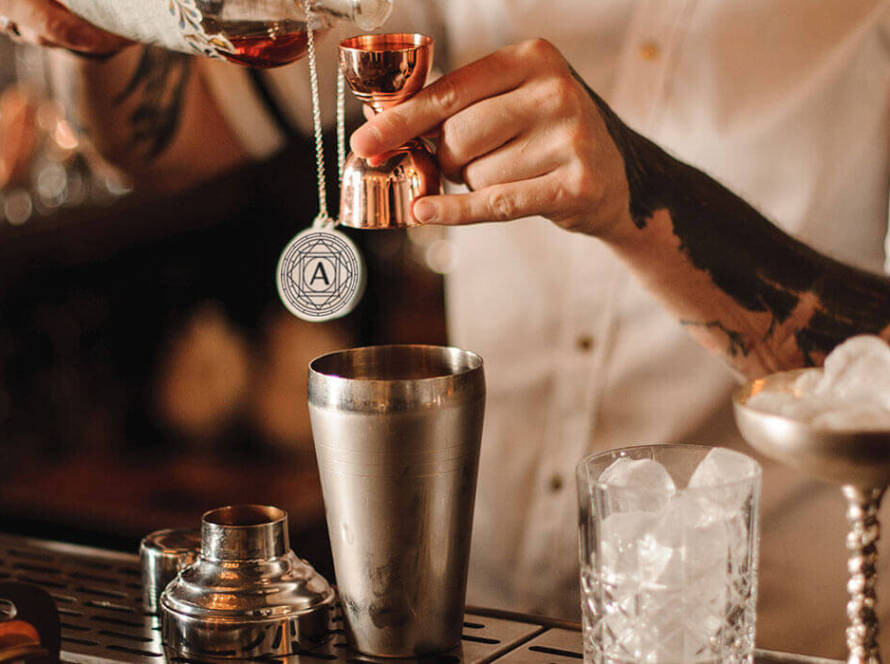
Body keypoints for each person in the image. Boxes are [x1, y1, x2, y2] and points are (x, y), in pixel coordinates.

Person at [5, 0, 890, 657]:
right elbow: (173, 135)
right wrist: (103, 28)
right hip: (486, 620)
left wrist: (644, 202)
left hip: (782, 631)